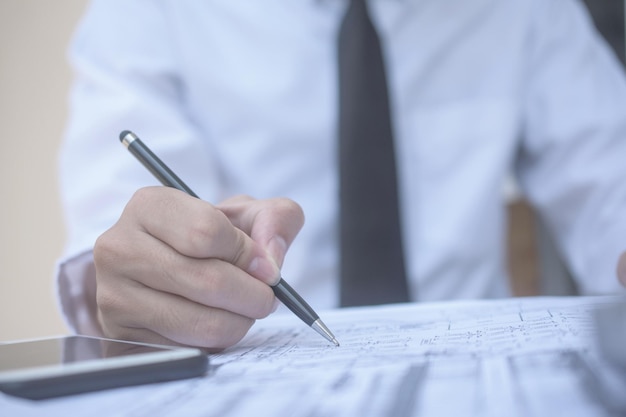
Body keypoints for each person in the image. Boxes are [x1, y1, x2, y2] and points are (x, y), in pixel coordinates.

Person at [58, 0, 626, 350]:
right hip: (256, 360)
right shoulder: (146, 11)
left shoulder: (529, 9)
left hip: (476, 371)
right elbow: (112, 239)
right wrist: (142, 279)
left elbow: (610, 177)